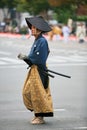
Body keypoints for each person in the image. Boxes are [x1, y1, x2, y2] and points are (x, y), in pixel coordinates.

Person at [18, 16, 54, 124]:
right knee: (28, 92)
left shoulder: (42, 41)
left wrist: (27, 59)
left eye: (34, 28)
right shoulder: (37, 40)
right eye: (32, 27)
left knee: (38, 94)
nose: (32, 29)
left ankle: (40, 117)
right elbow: (33, 57)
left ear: (39, 29)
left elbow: (39, 59)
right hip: (34, 70)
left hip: (40, 71)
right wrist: (26, 58)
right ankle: (37, 114)